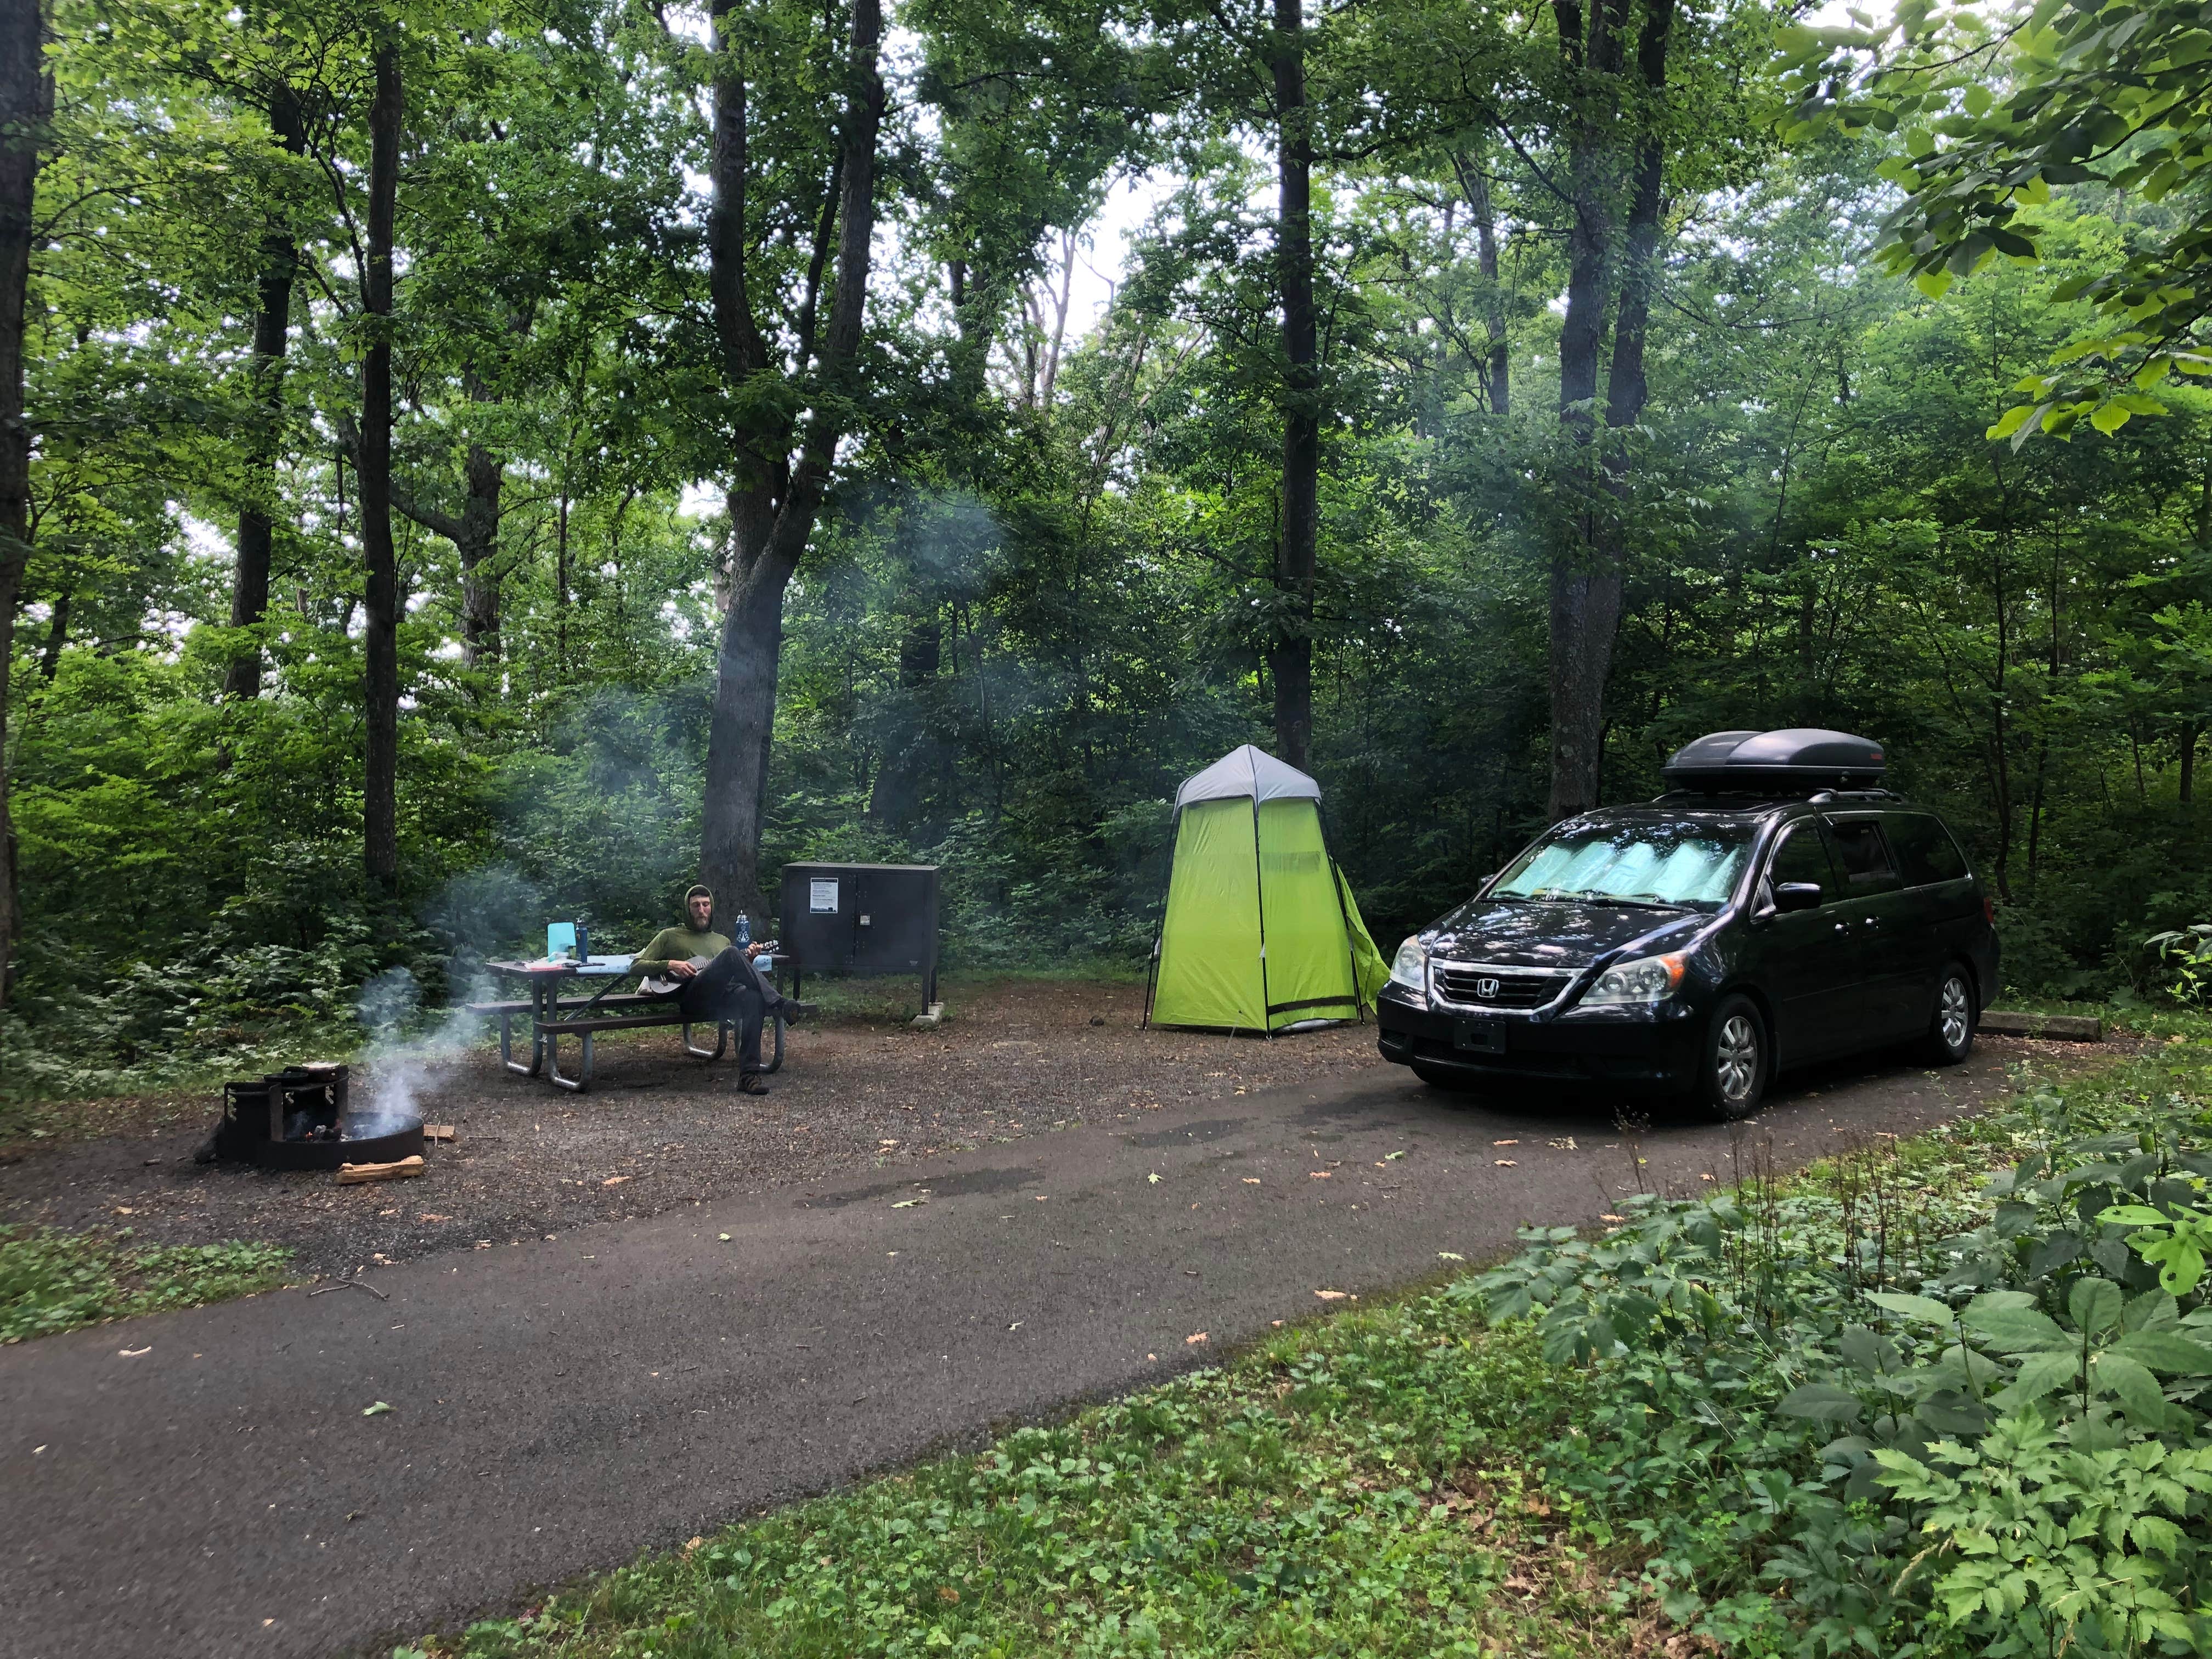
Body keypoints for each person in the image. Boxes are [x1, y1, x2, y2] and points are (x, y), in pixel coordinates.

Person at [633, 885, 806, 1093]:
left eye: (706, 905)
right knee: (731, 953)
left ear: (711, 908)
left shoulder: (720, 940)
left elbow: (731, 970)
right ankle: (780, 1003)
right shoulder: (669, 936)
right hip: (693, 997)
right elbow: (636, 966)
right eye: (696, 905)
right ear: (687, 910)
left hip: (723, 999)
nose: (701, 910)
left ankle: (748, 1076)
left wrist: (748, 959)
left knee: (753, 998)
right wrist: (670, 964)